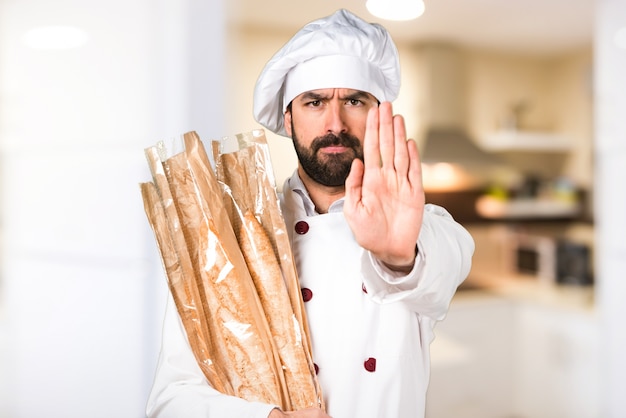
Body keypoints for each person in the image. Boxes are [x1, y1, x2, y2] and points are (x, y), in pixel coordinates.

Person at [146, 9, 474, 418]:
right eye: (314, 102)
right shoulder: (232, 239)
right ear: (288, 118)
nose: (335, 123)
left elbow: (447, 263)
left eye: (354, 100)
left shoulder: (426, 230)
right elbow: (171, 398)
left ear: (377, 114)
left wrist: (396, 256)